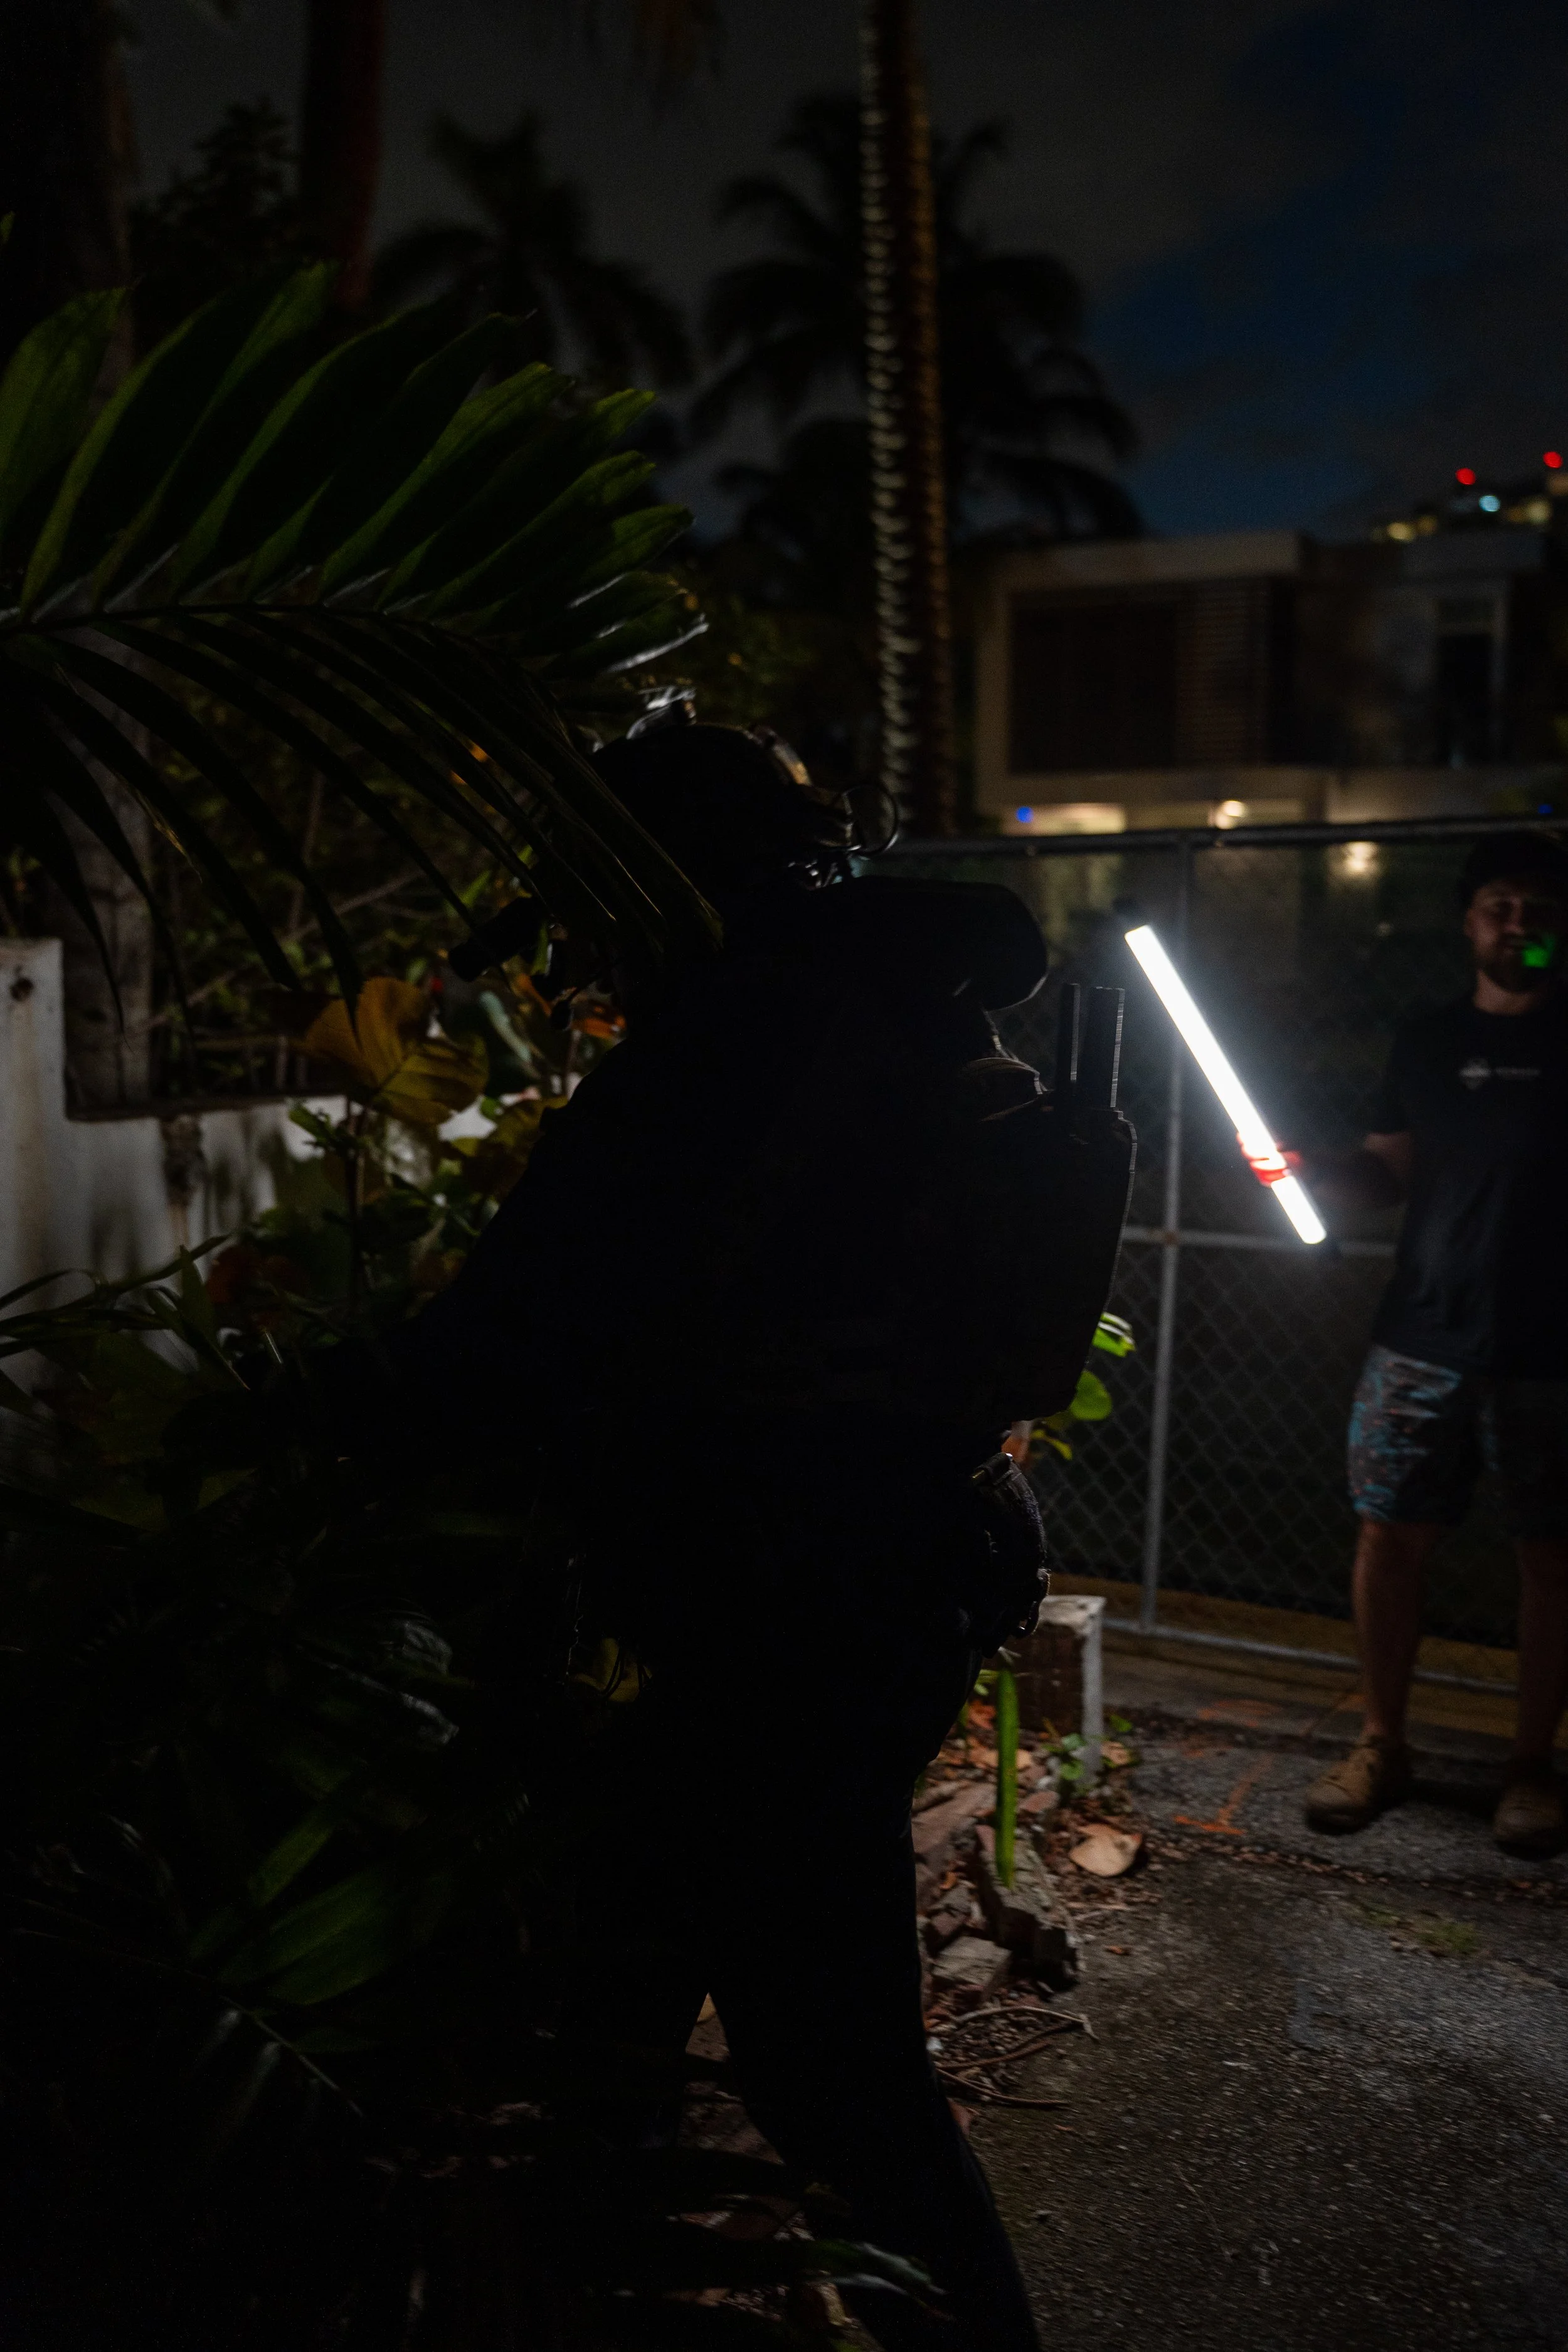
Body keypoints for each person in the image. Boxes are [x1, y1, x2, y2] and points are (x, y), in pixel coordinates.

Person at [342, 718, 1131, 2351]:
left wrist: (326, 1407)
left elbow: (506, 1341)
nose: (581, 944)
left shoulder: (722, 1053)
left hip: (789, 1598)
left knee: (820, 2059)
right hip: (896, 1560)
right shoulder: (895, 1013)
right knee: (626, 1983)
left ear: (660, 884)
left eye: (598, 899)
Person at [1273, 834, 1568, 1855]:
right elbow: (1385, 1173)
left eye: (1536, 905)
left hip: (1555, 1350)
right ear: (1469, 922)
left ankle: (1532, 1767)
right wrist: (1311, 1174)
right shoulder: (1427, 1042)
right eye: (1499, 904)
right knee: (1388, 1539)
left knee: (1554, 1559)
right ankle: (1380, 1742)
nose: (1518, 921)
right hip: (1423, 1336)